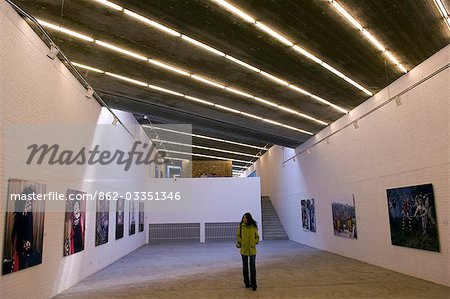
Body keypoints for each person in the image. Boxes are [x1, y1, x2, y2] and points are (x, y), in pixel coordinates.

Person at [236, 212, 259, 291]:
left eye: (245, 218)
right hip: (244, 249)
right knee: (245, 268)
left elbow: (257, 237)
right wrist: (241, 242)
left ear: (249, 218)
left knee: (252, 268)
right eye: (243, 218)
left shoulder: (254, 227)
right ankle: (246, 283)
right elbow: (237, 235)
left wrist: (255, 242)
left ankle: (254, 284)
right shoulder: (241, 227)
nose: (244, 219)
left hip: (252, 250)